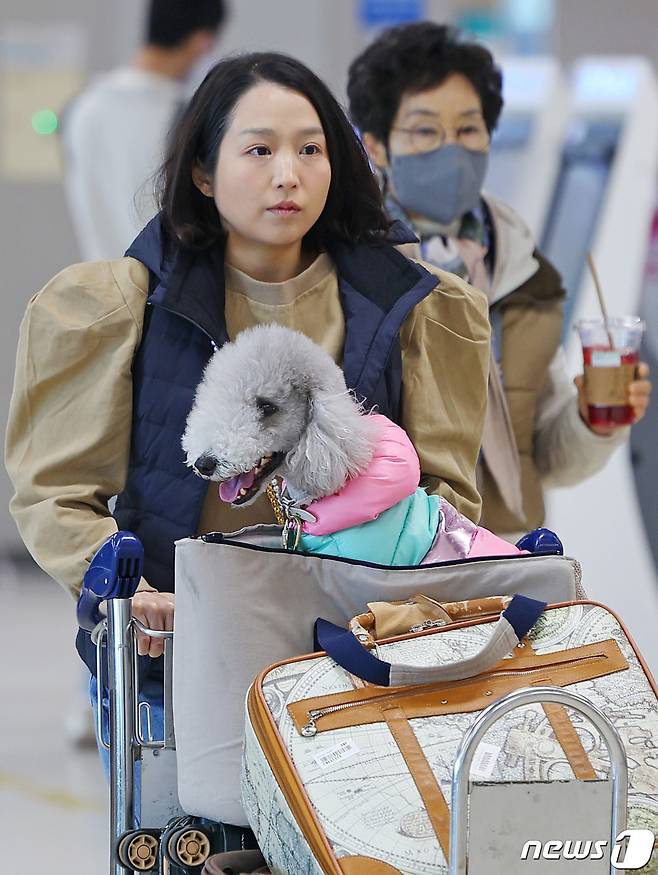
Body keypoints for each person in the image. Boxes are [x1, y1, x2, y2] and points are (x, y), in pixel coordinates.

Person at [6, 52, 490, 845]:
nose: (288, 174)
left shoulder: (412, 309)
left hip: (355, 654)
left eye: (310, 148)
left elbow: (443, 493)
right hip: (176, 655)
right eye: (259, 149)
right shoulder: (119, 303)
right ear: (203, 170)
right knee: (193, 852)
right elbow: (56, 491)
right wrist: (125, 585)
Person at [347, 22, 652, 539]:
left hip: (509, 554)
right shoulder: (351, 263)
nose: (452, 149)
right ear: (376, 145)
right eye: (425, 131)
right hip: (388, 558)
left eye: (468, 129)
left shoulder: (516, 265)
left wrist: (593, 422)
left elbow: (542, 456)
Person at [62, 0, 227, 261]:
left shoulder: (80, 107)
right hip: (165, 292)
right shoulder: (187, 115)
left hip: (101, 290)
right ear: (202, 41)